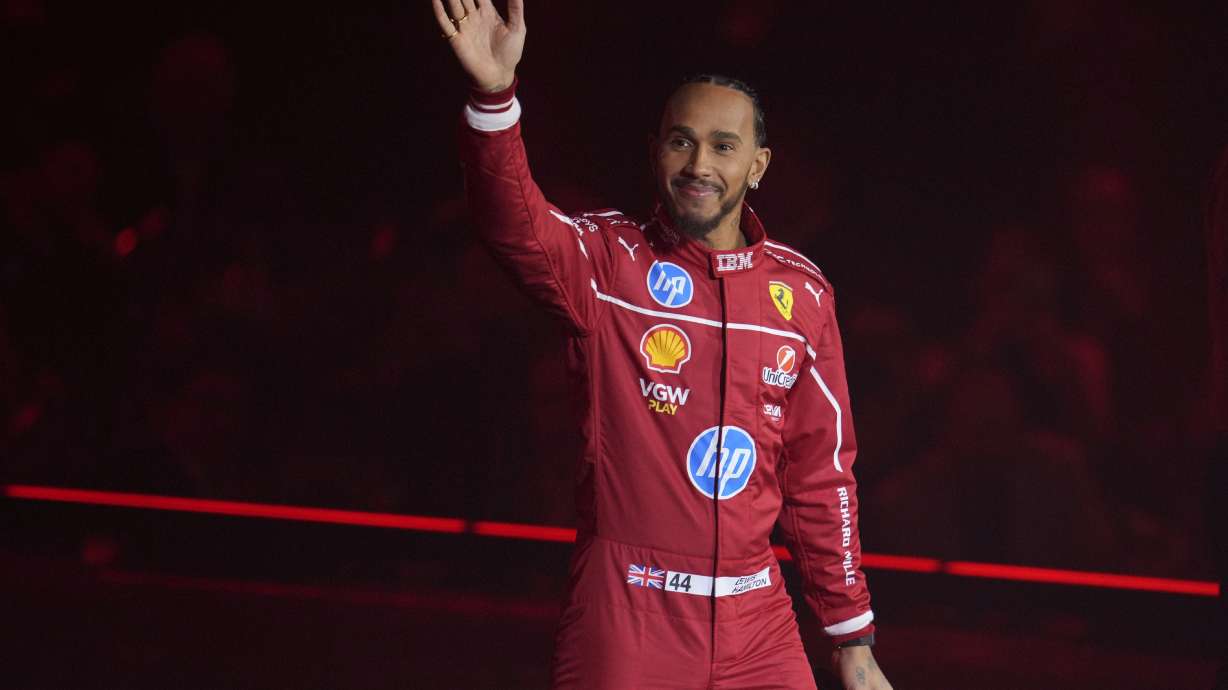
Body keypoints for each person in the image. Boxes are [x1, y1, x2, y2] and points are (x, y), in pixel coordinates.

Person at [431, 1, 892, 687]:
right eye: (681, 141)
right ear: (656, 151)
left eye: (722, 146)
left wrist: (851, 638)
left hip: (759, 621)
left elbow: (820, 477)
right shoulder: (610, 262)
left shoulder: (804, 296)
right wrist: (495, 97)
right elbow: (513, 224)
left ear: (759, 165)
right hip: (627, 612)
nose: (698, 163)